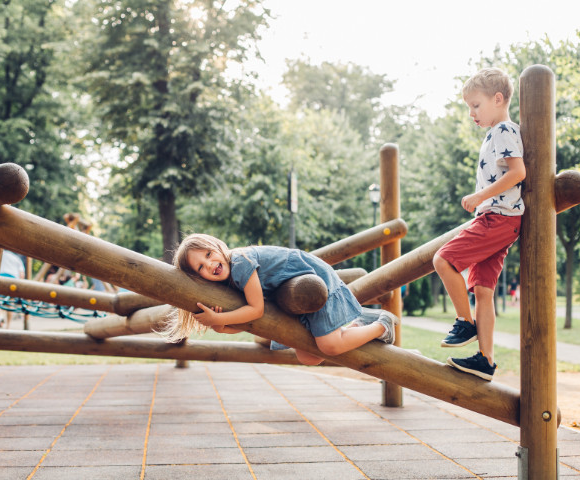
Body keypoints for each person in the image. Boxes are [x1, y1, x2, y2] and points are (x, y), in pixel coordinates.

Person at [159, 233, 397, 366]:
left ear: (218, 247)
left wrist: (219, 317)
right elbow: (246, 324)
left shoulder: (241, 262)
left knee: (330, 346)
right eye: (201, 267)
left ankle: (381, 324)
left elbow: (256, 311)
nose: (210, 264)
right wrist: (219, 326)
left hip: (314, 282)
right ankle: (360, 323)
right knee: (309, 357)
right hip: (296, 301)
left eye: (209, 254)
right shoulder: (228, 283)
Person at [432, 67, 526, 381]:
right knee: (483, 291)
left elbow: (518, 173)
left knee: (443, 259)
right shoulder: (495, 133)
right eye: (469, 107)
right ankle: (485, 360)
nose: (472, 113)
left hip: (497, 218)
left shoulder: (503, 130)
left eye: (476, 105)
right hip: (501, 220)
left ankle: (464, 322)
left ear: (498, 99)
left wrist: (478, 196)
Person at [0, 250, 26, 329]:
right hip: (13, 281)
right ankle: (8, 326)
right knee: (10, 304)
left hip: (0, 278)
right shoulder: (17, 258)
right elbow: (22, 274)